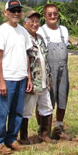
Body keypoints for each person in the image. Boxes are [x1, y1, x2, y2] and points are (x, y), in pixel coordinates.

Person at [0, 0, 33, 155]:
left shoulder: (23, 31)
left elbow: (27, 55)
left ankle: (11, 139)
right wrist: (0, 80)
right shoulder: (2, 31)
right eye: (13, 11)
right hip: (7, 78)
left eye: (18, 11)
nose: (16, 14)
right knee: (2, 112)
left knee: (17, 111)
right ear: (5, 13)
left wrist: (28, 77)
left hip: (21, 77)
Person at [37, 4, 71, 141]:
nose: (52, 16)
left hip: (63, 69)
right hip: (47, 69)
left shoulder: (63, 30)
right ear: (44, 16)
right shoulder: (40, 31)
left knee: (62, 98)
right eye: (49, 14)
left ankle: (59, 127)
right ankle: (43, 129)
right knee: (46, 100)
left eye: (55, 14)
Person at [20, 10, 54, 144]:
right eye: (31, 21)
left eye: (36, 21)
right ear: (25, 23)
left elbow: (45, 59)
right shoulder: (23, 38)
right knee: (27, 109)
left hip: (44, 81)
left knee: (47, 107)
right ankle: (23, 136)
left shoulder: (39, 38)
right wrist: (28, 79)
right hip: (33, 81)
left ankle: (44, 134)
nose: (34, 24)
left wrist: (49, 79)